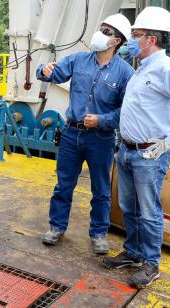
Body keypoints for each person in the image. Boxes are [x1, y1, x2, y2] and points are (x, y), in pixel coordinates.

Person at [103, 7, 170, 288]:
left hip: (149, 153)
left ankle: (150, 263)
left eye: (136, 35)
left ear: (152, 39)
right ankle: (133, 253)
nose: (130, 40)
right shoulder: (142, 68)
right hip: (129, 150)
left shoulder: (166, 69)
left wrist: (168, 143)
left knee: (148, 211)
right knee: (129, 207)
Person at [36, 14, 134, 254]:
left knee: (100, 189)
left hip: (101, 139)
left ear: (117, 41)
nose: (100, 33)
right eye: (101, 28)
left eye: (106, 31)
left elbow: (126, 111)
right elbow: (51, 74)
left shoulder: (125, 73)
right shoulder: (79, 60)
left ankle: (99, 232)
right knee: (63, 185)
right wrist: (43, 69)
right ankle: (57, 227)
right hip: (71, 134)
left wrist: (102, 120)